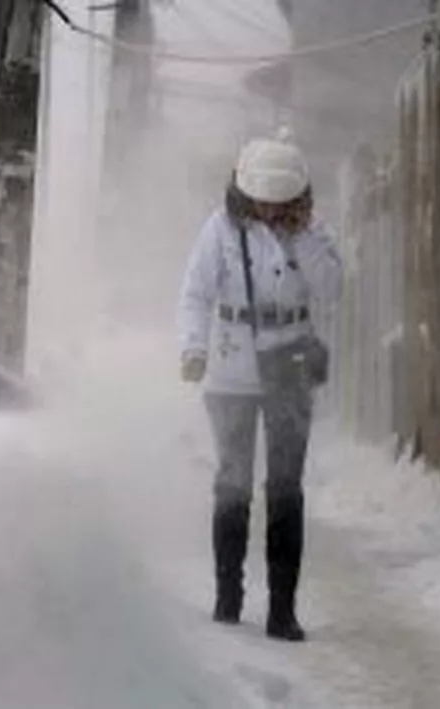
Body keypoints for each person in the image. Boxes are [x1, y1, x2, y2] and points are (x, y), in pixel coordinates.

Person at [176, 134, 342, 642]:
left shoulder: (312, 231)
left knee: (286, 488)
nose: (271, 209)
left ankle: (282, 610)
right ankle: (228, 598)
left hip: (288, 367)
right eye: (263, 199)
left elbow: (332, 288)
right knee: (233, 483)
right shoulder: (219, 229)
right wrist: (193, 348)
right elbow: (195, 293)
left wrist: (304, 237)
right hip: (230, 371)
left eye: (281, 200)